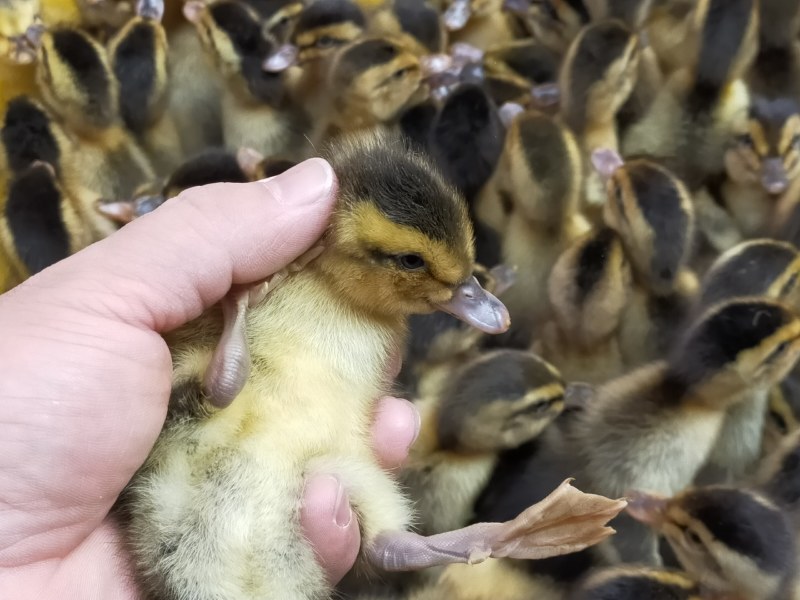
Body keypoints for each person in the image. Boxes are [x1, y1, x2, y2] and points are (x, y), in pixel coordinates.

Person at [0, 158, 421, 599]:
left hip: (250, 501)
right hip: (202, 508)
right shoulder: (275, 288)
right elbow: (212, 388)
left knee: (345, 491)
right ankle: (412, 544)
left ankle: (415, 543)